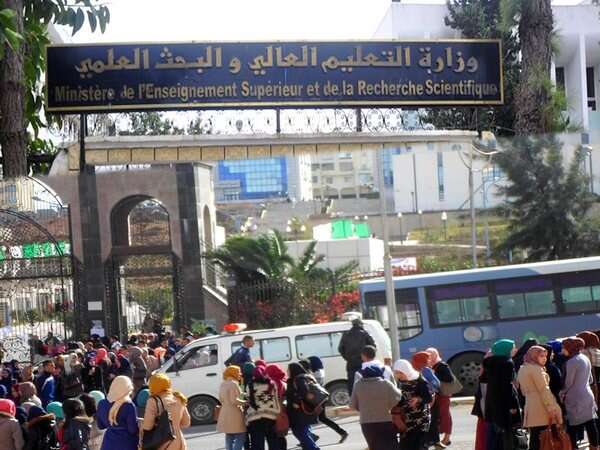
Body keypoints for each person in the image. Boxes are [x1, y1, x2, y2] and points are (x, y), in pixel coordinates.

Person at [516, 345, 562, 450]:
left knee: (535, 436)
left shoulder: (523, 368)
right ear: (534, 356)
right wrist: (552, 408)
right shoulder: (536, 369)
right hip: (542, 406)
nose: (544, 358)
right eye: (541, 356)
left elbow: (522, 391)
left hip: (530, 405)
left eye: (545, 356)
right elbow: (544, 390)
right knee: (546, 437)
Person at [561, 337, 600, 450]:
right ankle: (595, 446)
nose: (562, 349)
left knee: (572, 426)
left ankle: (573, 447)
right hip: (587, 394)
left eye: (564, 347)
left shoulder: (571, 362)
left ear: (570, 347)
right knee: (590, 423)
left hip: (575, 397)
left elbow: (568, 383)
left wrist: (562, 393)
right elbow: (591, 380)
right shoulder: (585, 358)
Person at [350, 364, 402, 450]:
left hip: (366, 423)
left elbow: (352, 405)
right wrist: (388, 406)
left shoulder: (358, 385)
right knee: (391, 445)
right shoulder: (385, 383)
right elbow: (398, 398)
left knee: (374, 446)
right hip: (385, 421)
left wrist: (364, 409)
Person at [484, 339, 521, 450]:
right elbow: (507, 386)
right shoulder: (507, 363)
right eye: (512, 347)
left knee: (496, 433)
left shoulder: (490, 362)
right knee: (507, 434)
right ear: (505, 349)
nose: (515, 349)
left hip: (493, 401)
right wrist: (512, 405)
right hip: (504, 403)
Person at [305, 357, 348, 444]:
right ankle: (342, 432)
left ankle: (310, 436)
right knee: (322, 418)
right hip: (320, 398)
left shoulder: (313, 375)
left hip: (316, 399)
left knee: (308, 418)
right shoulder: (319, 372)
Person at [142, 373, 191, 450]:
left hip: (164, 442)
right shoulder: (178, 398)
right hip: (180, 441)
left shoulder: (153, 401)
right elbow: (186, 422)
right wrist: (174, 424)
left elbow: (148, 426)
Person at [393, 359, 433, 450]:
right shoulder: (400, 381)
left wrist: (418, 399)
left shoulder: (420, 381)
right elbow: (401, 397)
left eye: (400, 373)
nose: (398, 376)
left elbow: (429, 398)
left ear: (406, 371)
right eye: (396, 373)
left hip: (421, 420)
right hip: (406, 420)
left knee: (418, 446)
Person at [97, 376, 139, 450]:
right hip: (126, 443)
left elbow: (100, 426)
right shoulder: (129, 405)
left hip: (108, 443)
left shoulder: (101, 403)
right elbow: (132, 430)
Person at [426, 347, 457, 447]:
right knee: (435, 416)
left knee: (445, 415)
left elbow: (449, 378)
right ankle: (436, 439)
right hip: (436, 395)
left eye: (430, 355)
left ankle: (447, 438)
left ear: (435, 355)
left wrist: (434, 375)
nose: (429, 357)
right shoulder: (431, 366)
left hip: (443, 395)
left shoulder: (442, 365)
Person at [286, 363, 320, 450]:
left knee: (300, 432)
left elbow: (304, 391)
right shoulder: (303, 377)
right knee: (302, 432)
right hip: (303, 410)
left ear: (293, 370)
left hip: (299, 412)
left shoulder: (299, 379)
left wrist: (296, 402)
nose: (287, 371)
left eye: (288, 369)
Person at [245, 365, 280, 450]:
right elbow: (276, 399)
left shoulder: (250, 385)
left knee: (257, 443)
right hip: (271, 416)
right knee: (273, 442)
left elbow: (248, 399)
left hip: (255, 417)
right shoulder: (272, 383)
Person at [338, 318, 375, 396]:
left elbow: (340, 349)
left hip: (351, 363)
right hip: (364, 362)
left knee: (352, 382)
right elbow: (373, 347)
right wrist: (367, 357)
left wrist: (347, 358)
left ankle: (353, 398)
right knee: (366, 380)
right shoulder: (364, 334)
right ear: (360, 324)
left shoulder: (346, 334)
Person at [217, 366, 247, 450]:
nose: (240, 374)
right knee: (241, 435)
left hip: (225, 412)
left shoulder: (223, 384)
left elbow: (221, 399)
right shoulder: (233, 384)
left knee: (229, 436)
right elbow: (234, 400)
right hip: (234, 413)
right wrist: (246, 402)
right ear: (233, 373)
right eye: (239, 372)